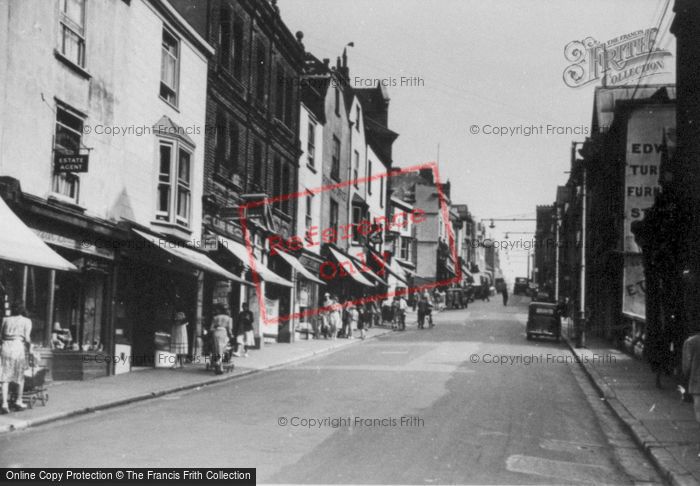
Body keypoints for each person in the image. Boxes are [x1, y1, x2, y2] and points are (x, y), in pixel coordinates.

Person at [1, 303, 32, 413]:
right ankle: (18, 401)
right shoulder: (26, 321)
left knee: (4, 376)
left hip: (5, 347)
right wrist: (30, 350)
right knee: (19, 375)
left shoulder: (5, 319)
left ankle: (4, 403)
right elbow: (27, 339)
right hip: (18, 346)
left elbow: (1, 335)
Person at [210, 304, 233, 374]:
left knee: (217, 349)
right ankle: (219, 363)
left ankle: (220, 366)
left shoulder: (215, 317)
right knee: (223, 348)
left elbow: (211, 329)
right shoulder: (229, 318)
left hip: (216, 333)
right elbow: (229, 329)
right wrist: (231, 335)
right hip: (223, 333)